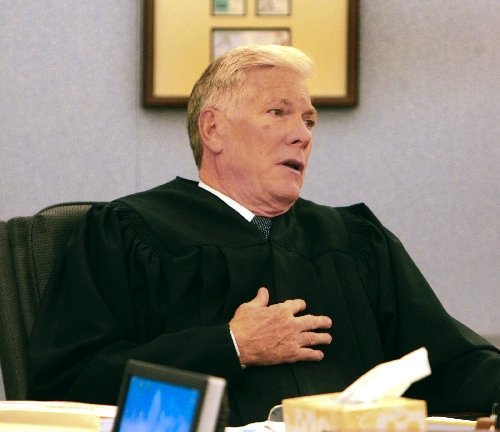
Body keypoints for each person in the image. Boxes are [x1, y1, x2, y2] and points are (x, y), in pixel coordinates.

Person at [28, 45, 500, 426]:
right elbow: (67, 385)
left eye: (309, 120)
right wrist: (230, 345)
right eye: (278, 112)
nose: (302, 135)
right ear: (213, 129)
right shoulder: (127, 233)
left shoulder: (354, 241)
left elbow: (452, 362)